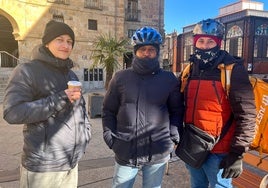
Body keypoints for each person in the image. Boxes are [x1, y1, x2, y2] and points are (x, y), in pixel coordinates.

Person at [3, 20, 91, 188]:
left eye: (69, 41)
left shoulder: (71, 74)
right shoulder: (27, 71)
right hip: (43, 167)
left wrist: (85, 134)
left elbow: (80, 111)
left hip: (71, 163)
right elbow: (12, 112)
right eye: (60, 39)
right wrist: (59, 98)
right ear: (47, 42)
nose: (65, 45)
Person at [102, 26, 184, 188]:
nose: (147, 53)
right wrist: (110, 137)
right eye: (142, 49)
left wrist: (173, 136)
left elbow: (177, 111)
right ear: (135, 52)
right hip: (126, 149)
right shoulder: (120, 78)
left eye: (151, 50)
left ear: (157, 52)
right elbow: (108, 110)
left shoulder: (169, 79)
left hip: (157, 150)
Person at [179, 18, 256, 188]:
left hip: (220, 151)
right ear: (195, 43)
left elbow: (248, 116)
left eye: (210, 42)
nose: (205, 46)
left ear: (219, 43)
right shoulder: (190, 69)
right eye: (201, 41)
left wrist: (238, 154)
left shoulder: (232, 70)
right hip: (193, 146)